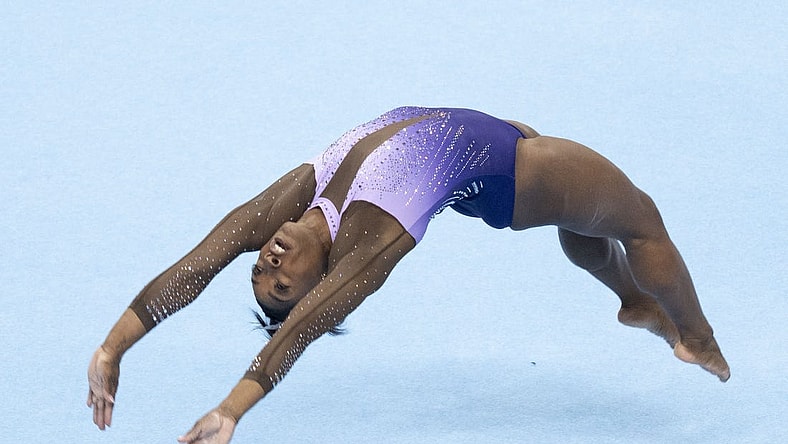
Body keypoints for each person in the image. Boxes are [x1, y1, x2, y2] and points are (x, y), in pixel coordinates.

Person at [87, 106, 730, 443]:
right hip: (515, 171)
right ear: (326, 279)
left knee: (587, 225)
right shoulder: (372, 236)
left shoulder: (295, 203)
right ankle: (696, 338)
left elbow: (199, 261)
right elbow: (305, 329)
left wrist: (112, 348)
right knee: (641, 221)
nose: (269, 264)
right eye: (282, 286)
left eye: (260, 270)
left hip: (488, 150)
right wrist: (231, 411)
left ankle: (632, 301)